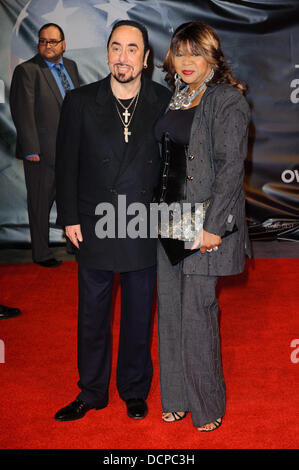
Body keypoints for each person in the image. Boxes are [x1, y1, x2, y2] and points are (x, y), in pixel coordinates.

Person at [54, 20, 171, 422]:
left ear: (146, 57)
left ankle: (134, 389)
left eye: (132, 49)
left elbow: (175, 170)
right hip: (94, 223)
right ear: (107, 53)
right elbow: (66, 165)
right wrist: (69, 217)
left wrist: (174, 226)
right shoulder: (80, 101)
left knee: (139, 315)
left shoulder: (163, 100)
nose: (123, 57)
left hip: (141, 222)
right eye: (116, 48)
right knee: (93, 315)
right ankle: (91, 392)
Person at [155, 21, 251, 432]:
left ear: (213, 57)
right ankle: (175, 397)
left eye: (196, 53)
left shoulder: (227, 99)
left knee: (197, 313)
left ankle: (207, 406)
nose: (188, 61)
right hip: (166, 219)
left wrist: (213, 226)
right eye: (181, 52)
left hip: (203, 224)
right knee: (171, 313)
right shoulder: (175, 97)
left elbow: (231, 167)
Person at [9, 23, 80, 267]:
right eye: (43, 41)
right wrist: (30, 149)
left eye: (52, 41)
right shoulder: (26, 71)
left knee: (71, 200)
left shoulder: (70, 67)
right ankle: (41, 253)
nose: (47, 46)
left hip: (70, 151)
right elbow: (22, 112)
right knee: (39, 204)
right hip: (42, 153)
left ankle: (74, 244)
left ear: (63, 44)